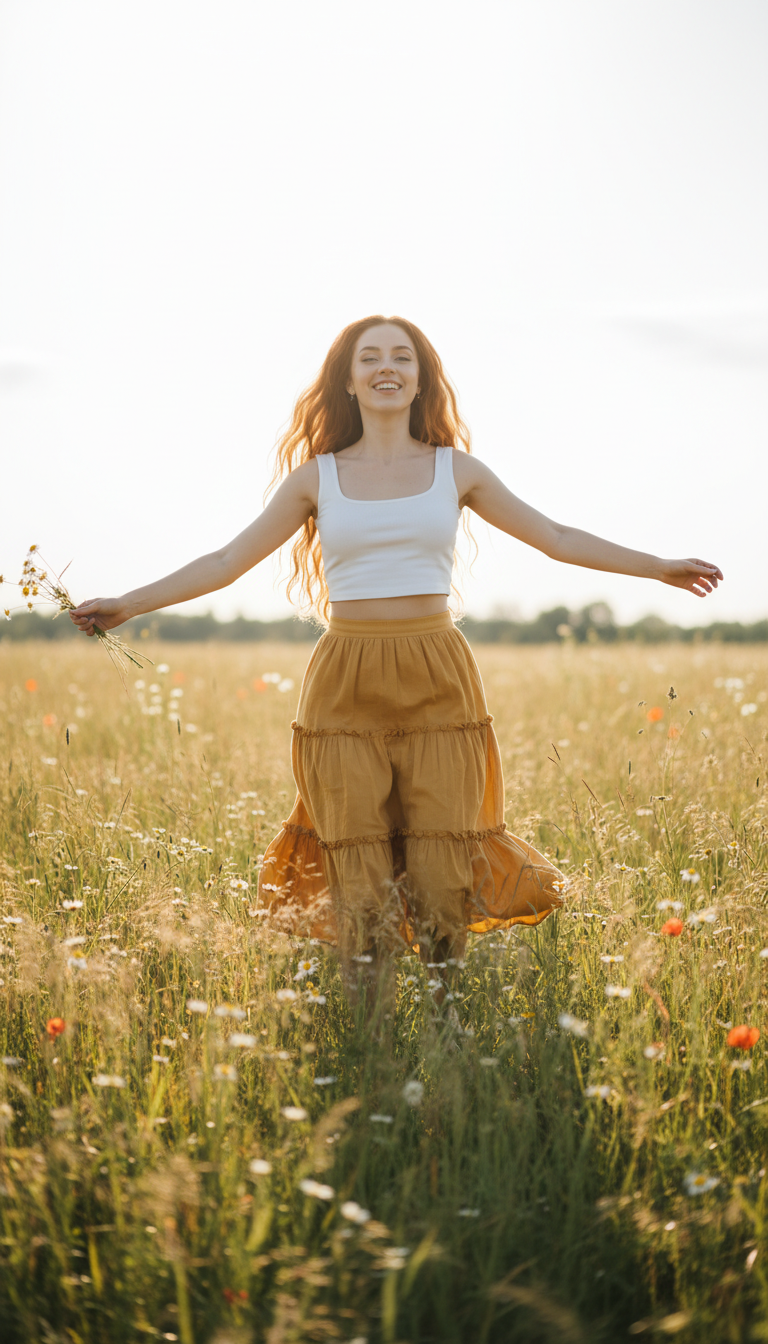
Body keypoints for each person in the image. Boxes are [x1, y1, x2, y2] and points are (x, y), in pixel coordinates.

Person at [70, 314, 722, 1008]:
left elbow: (556, 537)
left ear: (420, 379)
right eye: (370, 357)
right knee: (358, 870)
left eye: (402, 357)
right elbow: (227, 560)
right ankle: (368, 1032)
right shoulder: (316, 479)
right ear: (349, 381)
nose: (387, 367)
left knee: (443, 867)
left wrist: (657, 567)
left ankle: (445, 1022)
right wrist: (128, 604)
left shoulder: (457, 470)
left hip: (438, 673)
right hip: (344, 680)